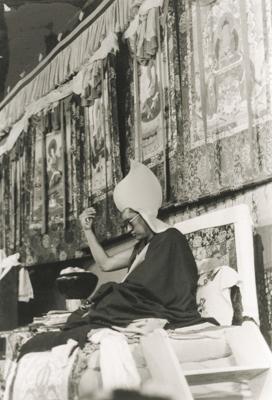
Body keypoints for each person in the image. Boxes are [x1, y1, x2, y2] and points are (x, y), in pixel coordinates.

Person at [19, 161, 216, 357]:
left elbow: (155, 287)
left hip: (164, 308)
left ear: (146, 214)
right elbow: (105, 264)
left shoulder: (170, 239)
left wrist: (117, 293)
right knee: (88, 310)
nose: (129, 230)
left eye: (131, 223)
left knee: (109, 296)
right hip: (141, 302)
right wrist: (87, 230)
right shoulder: (142, 246)